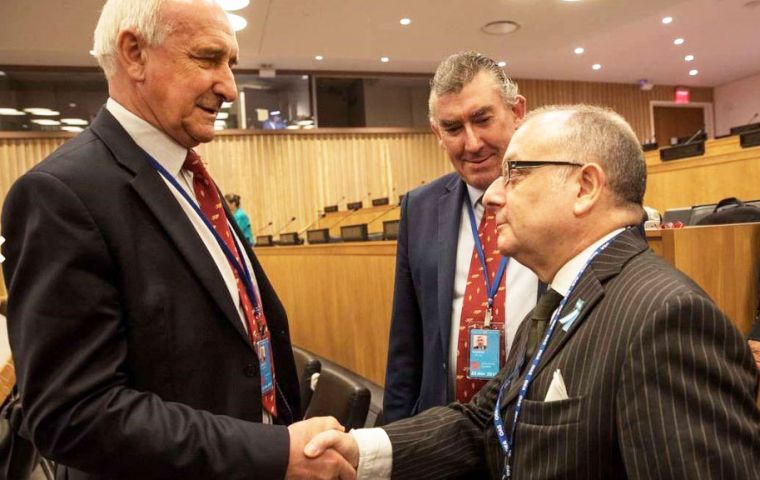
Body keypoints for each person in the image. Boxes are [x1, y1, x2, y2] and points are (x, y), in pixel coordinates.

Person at [305, 105, 760, 479]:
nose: (495, 196)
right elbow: (486, 420)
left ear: (585, 187)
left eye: (516, 173)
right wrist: (358, 449)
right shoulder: (562, 295)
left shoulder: (666, 318)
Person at [0, 1, 353, 478]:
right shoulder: (61, 194)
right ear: (134, 54)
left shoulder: (188, 176)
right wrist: (269, 453)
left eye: (231, 63)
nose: (229, 87)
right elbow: (72, 414)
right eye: (208, 59)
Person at [383, 51, 540, 422]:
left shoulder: (560, 199)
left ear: (516, 112)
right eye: (453, 128)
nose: (472, 144)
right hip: (445, 429)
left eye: (483, 119)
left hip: (539, 431)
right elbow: (406, 349)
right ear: (438, 133)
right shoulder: (419, 209)